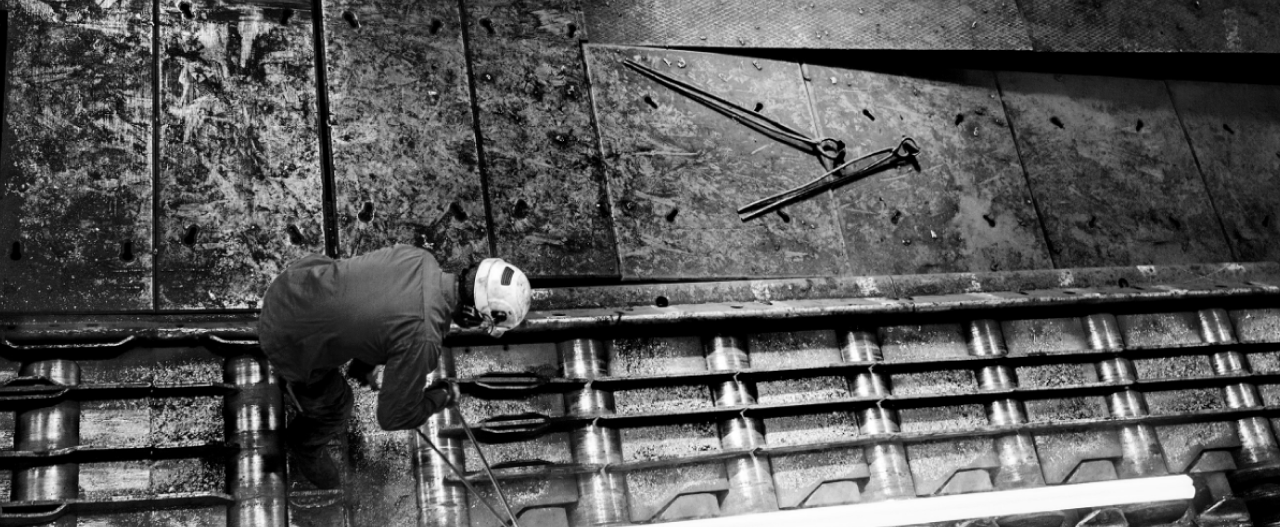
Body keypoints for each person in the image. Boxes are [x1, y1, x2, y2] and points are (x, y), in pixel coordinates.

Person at [258, 244, 532, 489]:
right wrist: (442, 396)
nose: (478, 328)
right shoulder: (424, 340)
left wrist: (368, 362)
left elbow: (373, 301)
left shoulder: (420, 259)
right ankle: (310, 456)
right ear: (473, 312)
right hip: (284, 339)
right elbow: (393, 417)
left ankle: (353, 365)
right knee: (337, 407)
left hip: (294, 284)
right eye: (484, 324)